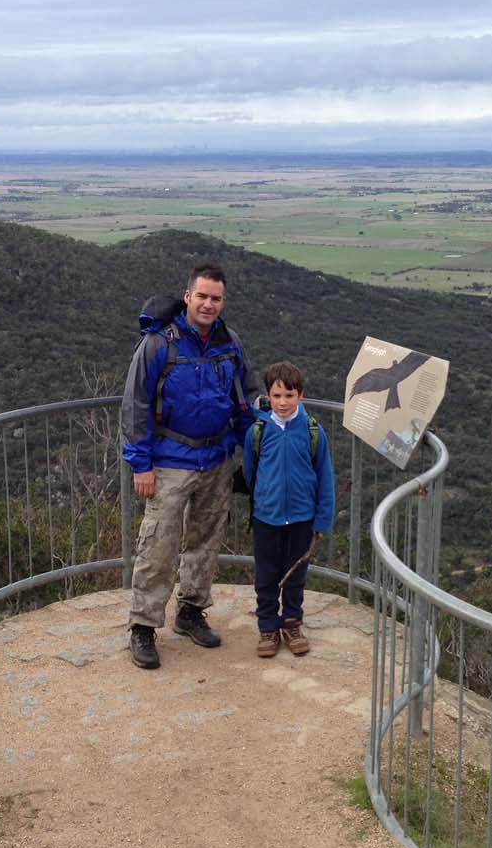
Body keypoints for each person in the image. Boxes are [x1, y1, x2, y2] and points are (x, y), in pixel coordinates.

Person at [121, 261, 258, 670]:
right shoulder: (158, 344)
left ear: (223, 301)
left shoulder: (230, 343)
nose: (208, 304)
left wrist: (252, 450)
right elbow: (135, 405)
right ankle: (144, 626)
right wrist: (140, 464)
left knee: (205, 541)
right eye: (202, 296)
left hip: (217, 458)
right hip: (169, 461)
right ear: (187, 297)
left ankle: (191, 611)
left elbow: (246, 399)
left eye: (216, 298)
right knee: (159, 545)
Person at [241, 361, 335, 658]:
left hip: (302, 517)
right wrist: (264, 498)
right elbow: (250, 472)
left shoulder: (313, 431)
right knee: (266, 575)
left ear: (300, 395)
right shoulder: (257, 432)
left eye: (289, 396)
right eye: (277, 396)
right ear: (268, 395)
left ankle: (292, 624)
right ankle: (268, 627)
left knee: (295, 575)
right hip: (266, 517)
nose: (283, 402)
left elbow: (325, 476)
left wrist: (322, 519)